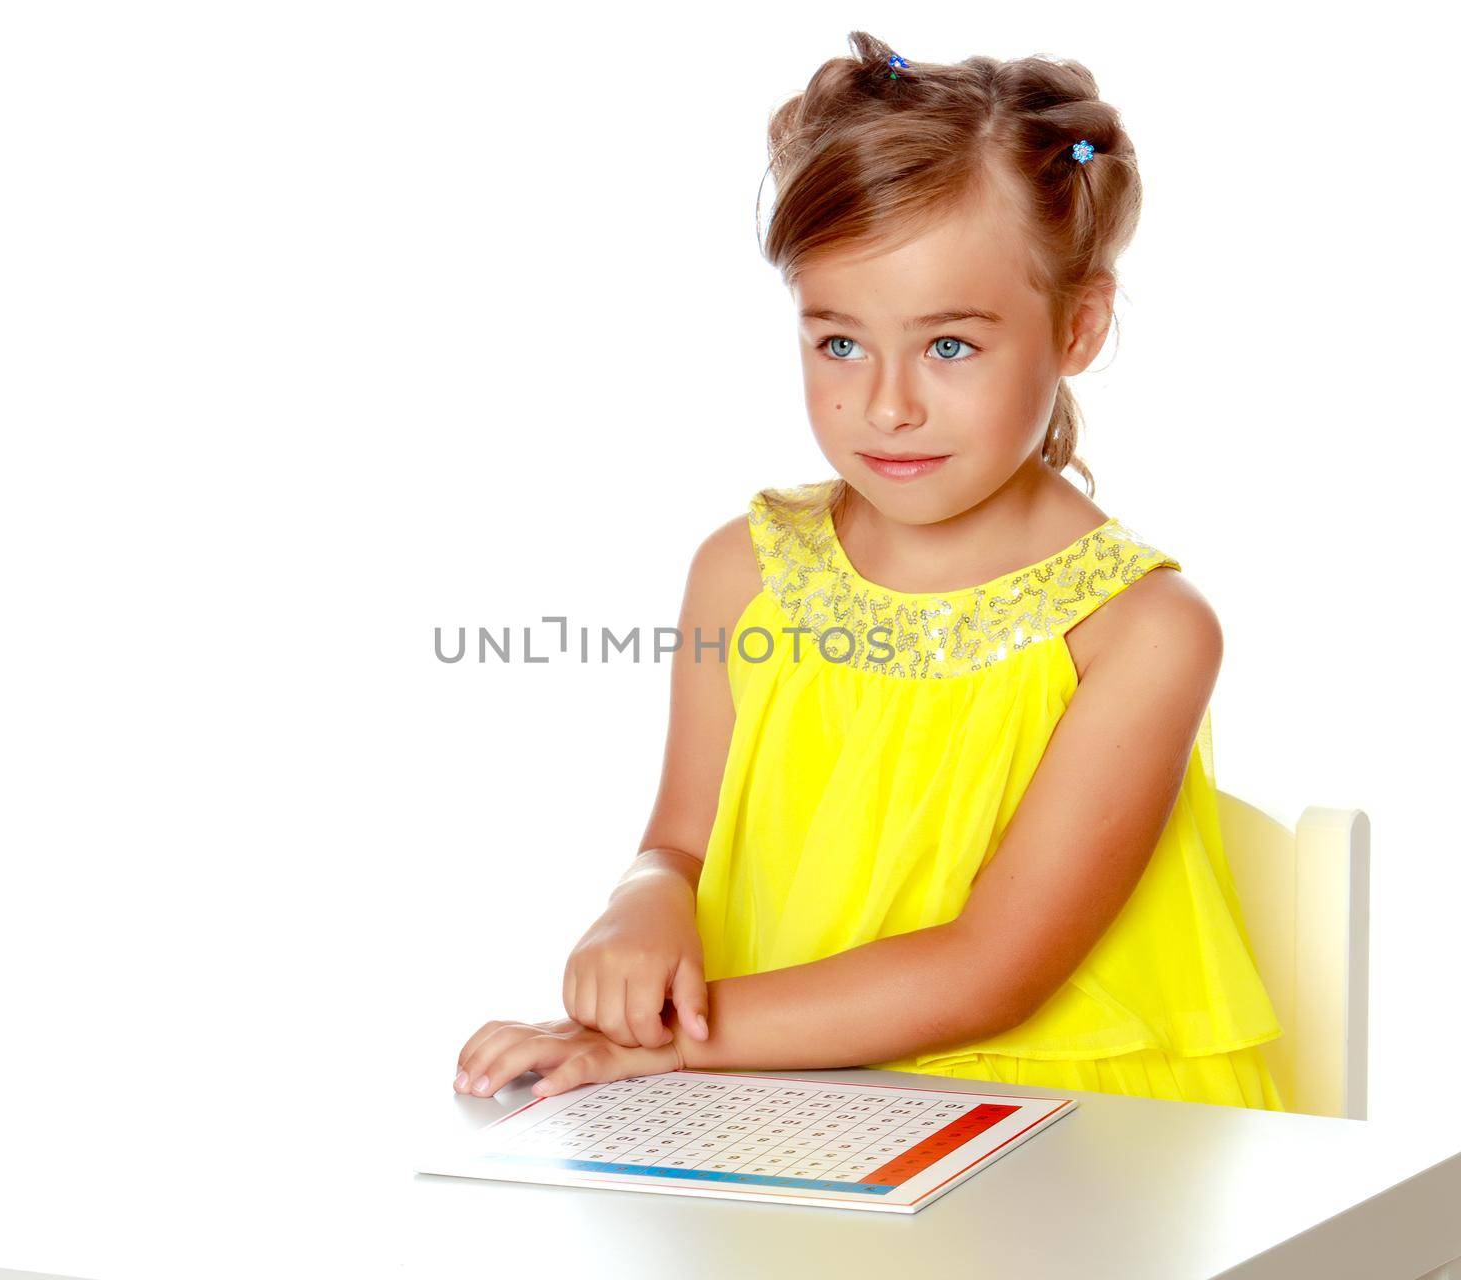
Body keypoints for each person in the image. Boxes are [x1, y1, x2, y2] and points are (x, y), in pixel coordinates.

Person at [452, 33, 1285, 1110]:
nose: (884, 405)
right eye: (839, 343)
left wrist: (652, 1044)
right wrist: (642, 900)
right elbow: (678, 841)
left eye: (949, 346)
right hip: (771, 1094)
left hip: (1055, 1111)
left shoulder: (1141, 629)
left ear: (1077, 326)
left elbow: (990, 968)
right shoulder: (742, 571)